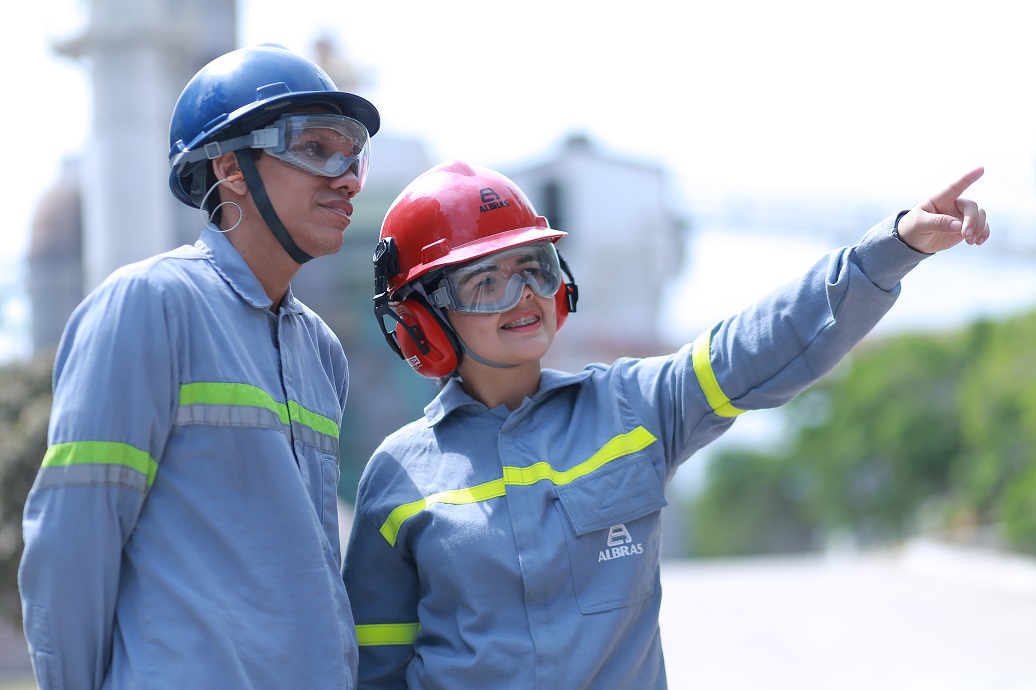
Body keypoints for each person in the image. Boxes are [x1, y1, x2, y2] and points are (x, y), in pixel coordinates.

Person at [342, 159, 990, 688]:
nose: (524, 297)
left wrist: (895, 247)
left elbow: (760, 345)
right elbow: (378, 670)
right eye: (486, 282)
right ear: (422, 319)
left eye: (532, 270)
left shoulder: (635, 409)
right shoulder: (398, 478)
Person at [19, 44, 380, 689]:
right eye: (316, 148)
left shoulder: (320, 349)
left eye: (353, 152)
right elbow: (72, 544)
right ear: (230, 168)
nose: (348, 176)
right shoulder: (150, 306)